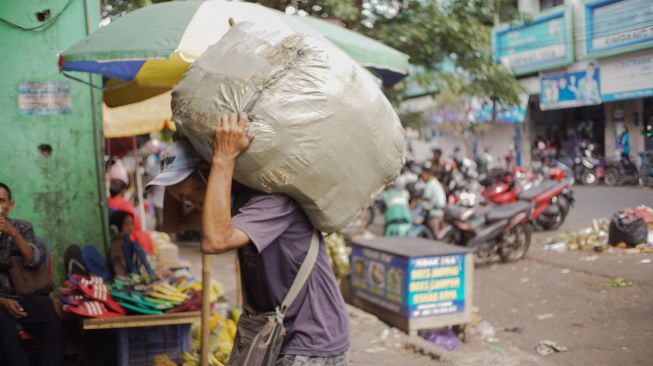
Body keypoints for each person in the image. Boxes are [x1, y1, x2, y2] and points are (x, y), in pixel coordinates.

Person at [147, 113, 350, 365]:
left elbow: (214, 242)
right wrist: (175, 169)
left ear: (206, 174)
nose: (189, 204)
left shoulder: (271, 200)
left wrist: (222, 159)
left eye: (189, 194)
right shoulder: (236, 203)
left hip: (311, 341)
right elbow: (172, 224)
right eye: (183, 199)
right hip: (277, 335)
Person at [0, 182, 63, 366]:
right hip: (0, 300)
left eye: (0, 200)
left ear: (9, 206)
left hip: (26, 295)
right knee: (4, 332)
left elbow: (33, 260)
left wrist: (13, 234)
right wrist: (3, 302)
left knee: (52, 322)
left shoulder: (22, 227)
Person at [108, 179, 153, 253]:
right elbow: (136, 224)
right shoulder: (124, 204)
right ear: (122, 191)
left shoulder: (108, 203)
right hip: (129, 238)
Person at [109, 210, 155, 278]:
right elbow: (120, 273)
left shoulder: (130, 243)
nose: (131, 227)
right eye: (126, 224)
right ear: (117, 228)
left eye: (131, 223)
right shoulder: (117, 247)